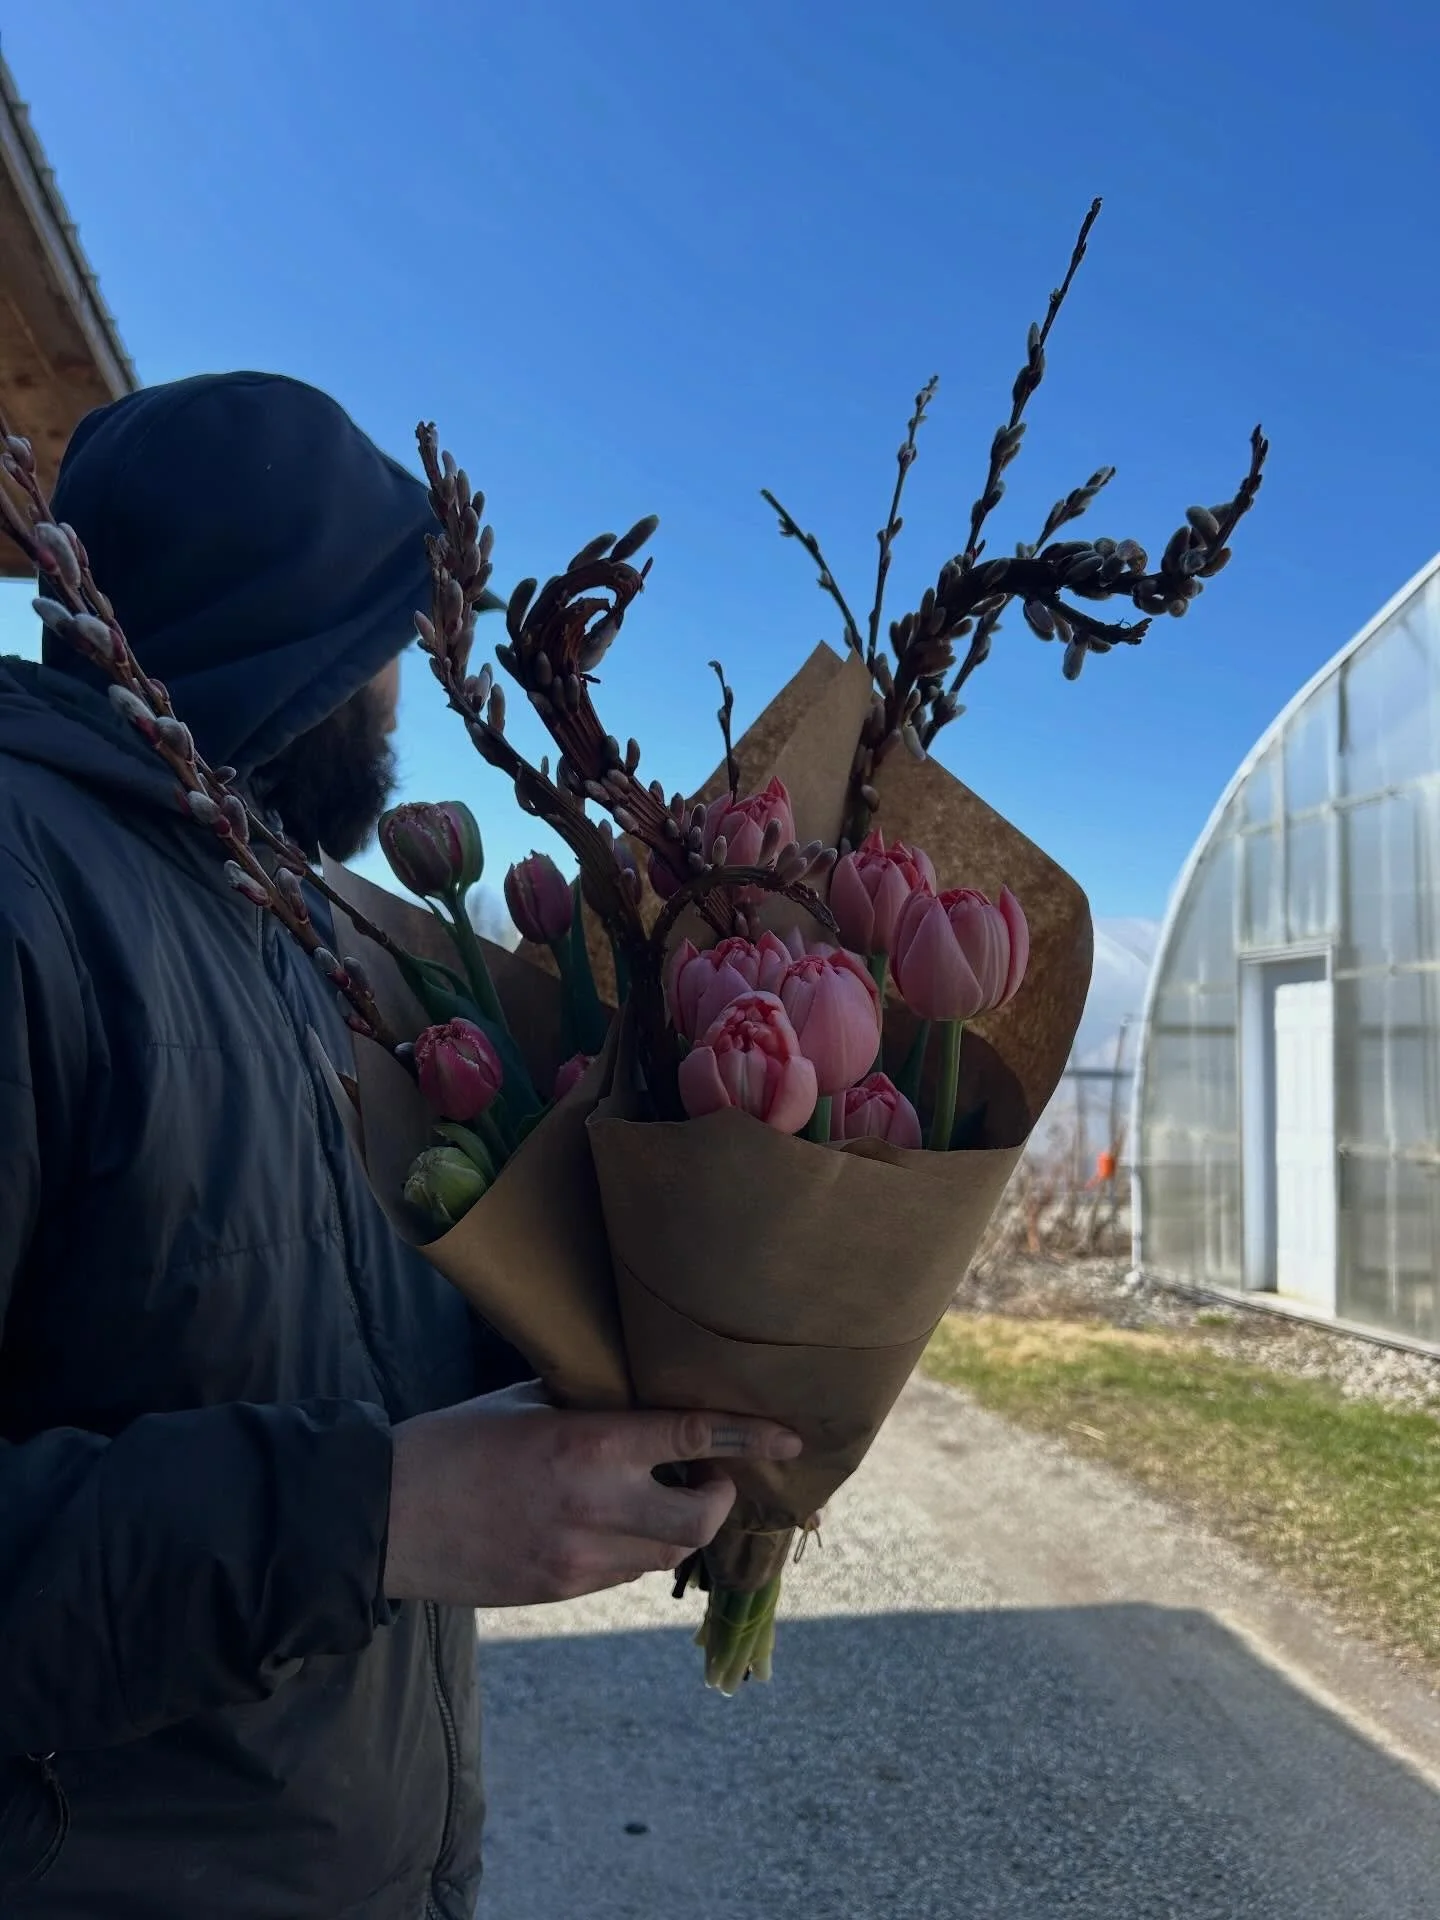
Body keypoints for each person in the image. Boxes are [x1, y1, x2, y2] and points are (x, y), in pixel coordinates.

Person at [0, 373, 798, 1918]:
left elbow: (280, 1334)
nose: (400, 688)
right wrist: (379, 1514)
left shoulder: (288, 926)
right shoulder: (29, 889)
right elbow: (358, 1485)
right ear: (283, 629)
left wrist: (684, 1333)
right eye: (380, 639)